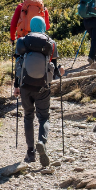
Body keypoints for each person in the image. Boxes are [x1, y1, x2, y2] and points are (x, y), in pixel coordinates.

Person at [13, 16, 63, 166]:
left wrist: (16, 86)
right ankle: (42, 142)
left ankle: (30, 152)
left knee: (28, 116)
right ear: (44, 26)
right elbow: (54, 69)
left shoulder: (22, 41)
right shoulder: (50, 43)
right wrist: (59, 73)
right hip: (42, 87)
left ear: (30, 26)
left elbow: (18, 65)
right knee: (44, 118)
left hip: (25, 86)